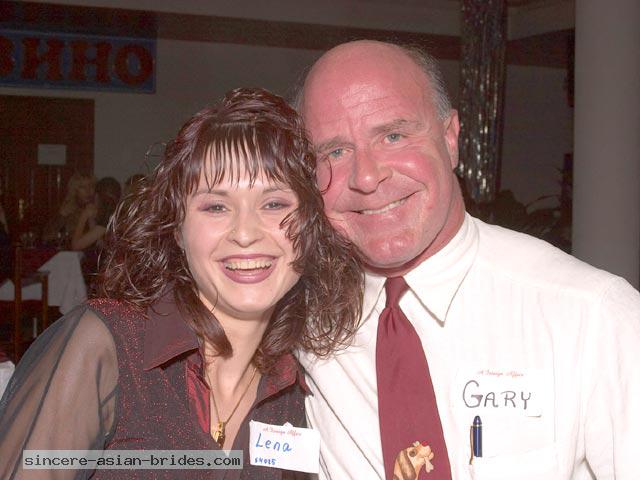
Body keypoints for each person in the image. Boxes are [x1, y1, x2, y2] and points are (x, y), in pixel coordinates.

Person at [295, 40, 640, 480]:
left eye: (393, 136)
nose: (366, 177)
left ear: (451, 137)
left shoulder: (593, 316)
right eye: (335, 152)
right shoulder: (294, 320)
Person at [0, 87, 362, 479]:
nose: (245, 233)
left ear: (311, 224)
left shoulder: (305, 391)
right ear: (177, 228)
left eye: (274, 204)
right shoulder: (105, 349)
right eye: (216, 207)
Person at [72, 176, 121, 287]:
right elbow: (98, 242)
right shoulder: (113, 218)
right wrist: (91, 218)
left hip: (109, 275)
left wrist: (83, 216)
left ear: (98, 197)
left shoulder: (106, 223)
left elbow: (75, 245)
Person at [42, 172, 96, 246]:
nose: (88, 191)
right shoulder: (68, 206)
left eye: (91, 186)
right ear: (74, 190)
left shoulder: (99, 206)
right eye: (82, 187)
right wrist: (62, 215)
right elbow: (46, 236)